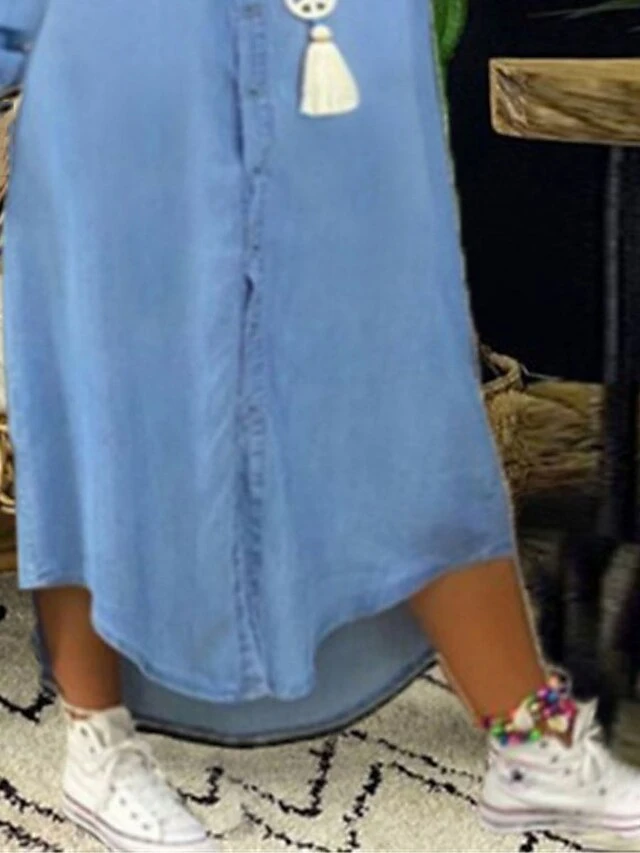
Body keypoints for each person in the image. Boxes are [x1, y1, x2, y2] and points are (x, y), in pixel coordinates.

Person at [2, 1, 640, 851]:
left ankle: (531, 743)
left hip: (331, 66)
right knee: (110, 403)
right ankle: (95, 738)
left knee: (407, 405)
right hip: (129, 69)